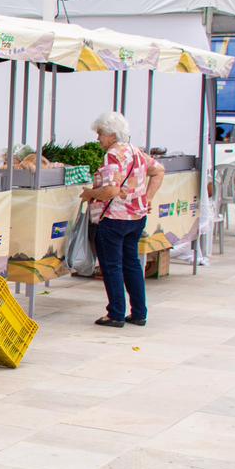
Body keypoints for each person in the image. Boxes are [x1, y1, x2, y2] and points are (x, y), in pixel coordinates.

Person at [80, 110, 166, 328]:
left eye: (100, 134)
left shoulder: (113, 155)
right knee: (132, 264)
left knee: (112, 266)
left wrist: (90, 193)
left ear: (111, 134)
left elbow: (110, 190)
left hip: (114, 218)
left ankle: (116, 313)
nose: (98, 138)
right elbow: (159, 171)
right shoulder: (136, 152)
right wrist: (147, 198)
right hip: (136, 217)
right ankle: (139, 312)